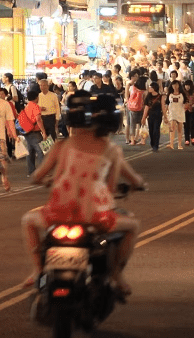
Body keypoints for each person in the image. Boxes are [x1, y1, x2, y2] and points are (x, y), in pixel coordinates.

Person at [21, 92, 145, 295]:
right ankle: (116, 275)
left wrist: (48, 181)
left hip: (58, 212)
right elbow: (111, 188)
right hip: (94, 216)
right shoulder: (111, 150)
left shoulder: (62, 145)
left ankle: (37, 269)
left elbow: (37, 176)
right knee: (132, 226)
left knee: (28, 220)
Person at [19, 90, 48, 177]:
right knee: (42, 151)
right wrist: (44, 132)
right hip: (35, 132)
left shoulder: (27, 106)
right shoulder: (36, 106)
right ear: (36, 97)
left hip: (27, 131)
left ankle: (31, 171)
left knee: (30, 152)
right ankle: (42, 172)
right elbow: (38, 120)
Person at [141, 82, 164, 152]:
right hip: (150, 116)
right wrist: (143, 118)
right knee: (151, 130)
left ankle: (156, 145)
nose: (149, 88)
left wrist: (165, 116)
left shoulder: (160, 97)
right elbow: (146, 107)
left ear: (154, 88)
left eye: (151, 87)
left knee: (156, 130)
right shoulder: (148, 96)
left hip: (158, 115)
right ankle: (152, 143)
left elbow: (163, 106)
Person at [163, 80, 186, 150]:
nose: (175, 86)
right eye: (173, 85)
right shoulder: (169, 94)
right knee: (172, 128)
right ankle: (171, 143)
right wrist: (164, 115)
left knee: (180, 129)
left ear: (179, 86)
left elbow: (186, 103)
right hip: (172, 113)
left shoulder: (182, 94)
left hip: (180, 112)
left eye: (176, 85)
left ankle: (179, 144)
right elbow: (166, 105)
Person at [182, 79, 194, 147]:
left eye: (188, 85)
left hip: (193, 110)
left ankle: (193, 138)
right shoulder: (182, 93)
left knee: (192, 124)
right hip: (184, 111)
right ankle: (186, 139)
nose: (187, 87)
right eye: (185, 85)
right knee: (186, 125)